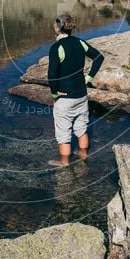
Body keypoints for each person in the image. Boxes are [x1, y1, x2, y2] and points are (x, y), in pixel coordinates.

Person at [46, 14, 104, 168]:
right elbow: (98, 57)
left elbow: (52, 74)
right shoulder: (80, 42)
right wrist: (88, 78)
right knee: (81, 127)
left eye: (54, 24)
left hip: (65, 98)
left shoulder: (56, 47)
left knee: (63, 134)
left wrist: (54, 94)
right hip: (81, 95)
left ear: (58, 28)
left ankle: (64, 163)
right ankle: (83, 154)